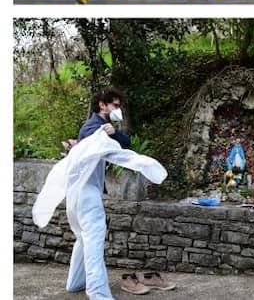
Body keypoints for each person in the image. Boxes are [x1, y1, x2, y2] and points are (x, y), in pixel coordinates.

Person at [64, 89, 173, 297]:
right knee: (94, 240)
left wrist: (112, 133)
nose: (118, 109)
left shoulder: (104, 128)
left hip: (81, 192)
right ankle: (98, 294)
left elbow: (126, 141)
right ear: (102, 105)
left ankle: (75, 283)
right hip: (86, 193)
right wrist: (147, 164)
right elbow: (117, 153)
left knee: (83, 239)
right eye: (114, 105)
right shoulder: (92, 128)